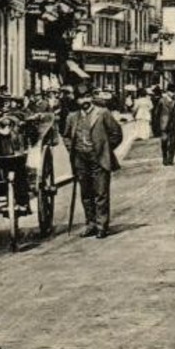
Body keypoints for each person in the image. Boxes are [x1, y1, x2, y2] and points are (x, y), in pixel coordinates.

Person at [63, 82, 123, 239]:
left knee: (101, 193)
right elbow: (67, 137)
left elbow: (116, 134)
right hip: (80, 159)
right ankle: (90, 224)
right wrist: (73, 150)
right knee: (86, 193)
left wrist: (106, 150)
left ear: (92, 97)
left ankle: (102, 225)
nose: (84, 100)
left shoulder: (103, 113)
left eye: (87, 96)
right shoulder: (72, 117)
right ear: (76, 100)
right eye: (81, 98)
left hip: (99, 159)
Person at [151, 84, 175, 165]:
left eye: (174, 92)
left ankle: (170, 159)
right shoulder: (161, 100)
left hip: (174, 124)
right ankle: (164, 157)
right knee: (164, 141)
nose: (173, 94)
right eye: (171, 92)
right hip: (164, 124)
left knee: (173, 143)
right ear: (167, 92)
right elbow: (157, 113)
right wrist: (155, 125)